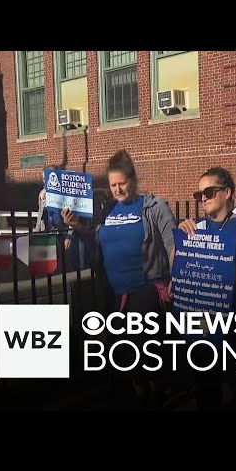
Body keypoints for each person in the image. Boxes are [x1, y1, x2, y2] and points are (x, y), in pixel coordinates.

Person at [61, 149, 176, 409]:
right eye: (113, 185)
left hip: (145, 290)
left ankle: (157, 394)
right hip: (114, 293)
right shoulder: (109, 209)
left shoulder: (153, 206)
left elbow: (172, 242)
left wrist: (176, 274)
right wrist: (76, 225)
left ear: (133, 180)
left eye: (122, 183)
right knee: (125, 353)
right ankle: (142, 394)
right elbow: (97, 237)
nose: (118, 189)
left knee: (146, 352)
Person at [178, 167, 236, 410]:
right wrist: (182, 242)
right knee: (205, 387)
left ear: (227, 193)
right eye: (199, 195)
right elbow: (178, 269)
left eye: (208, 191)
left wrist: (207, 268)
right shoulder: (195, 228)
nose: (203, 198)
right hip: (205, 320)